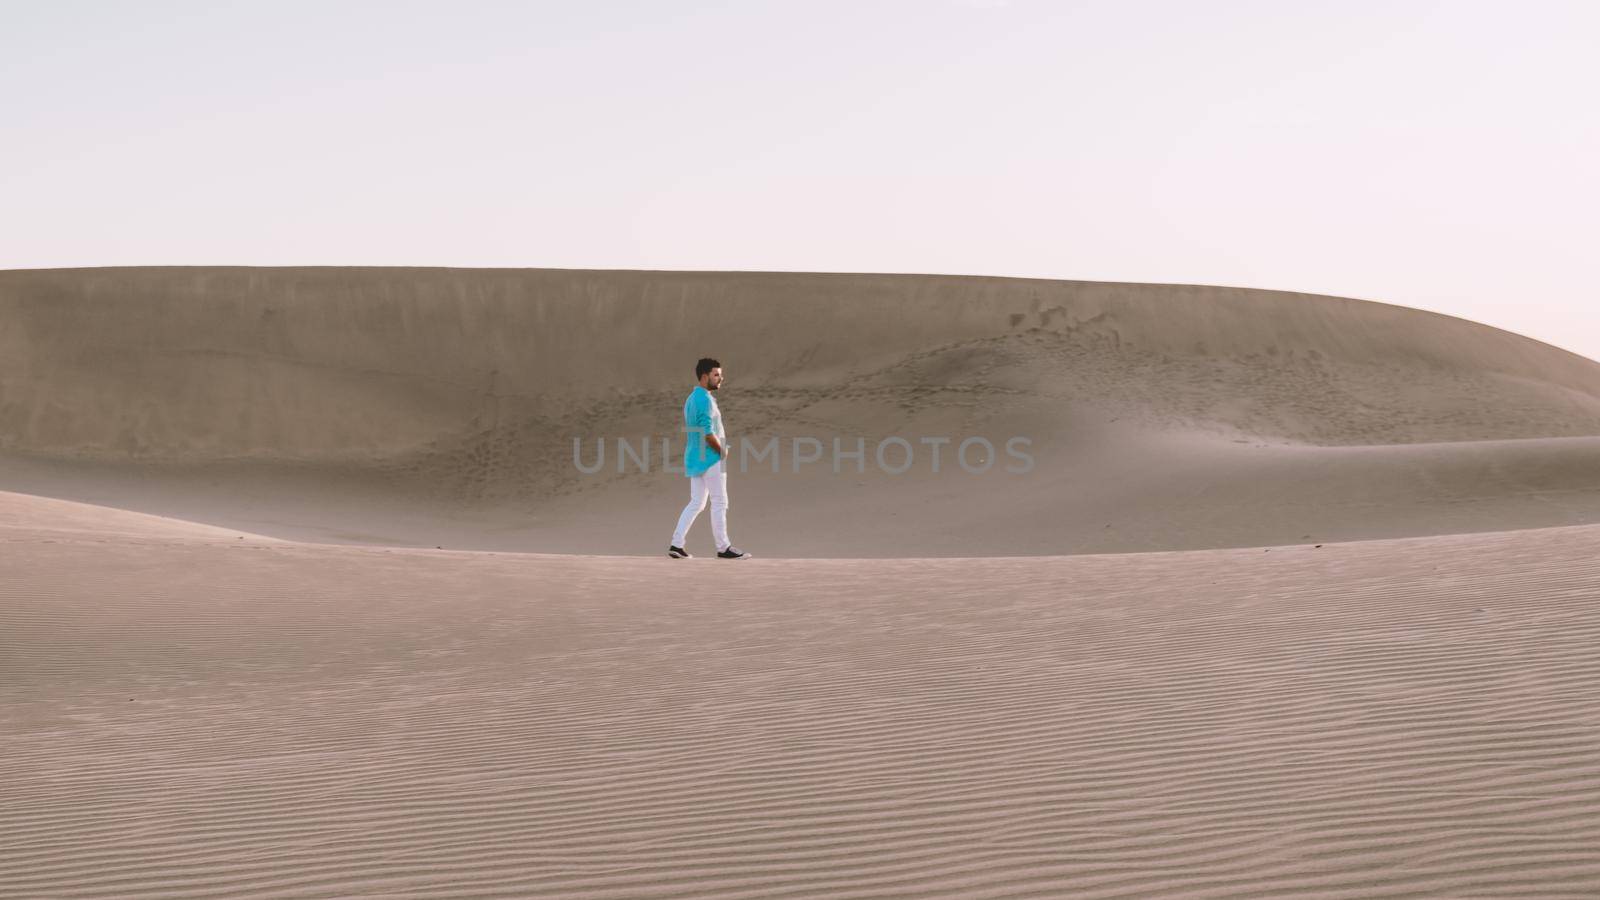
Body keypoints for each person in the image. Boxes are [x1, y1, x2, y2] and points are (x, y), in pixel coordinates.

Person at [669, 358, 752, 559]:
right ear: (705, 376)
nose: (720, 378)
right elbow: (707, 432)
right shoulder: (705, 399)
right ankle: (723, 547)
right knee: (720, 501)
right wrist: (722, 450)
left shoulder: (691, 398)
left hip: (695, 458)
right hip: (711, 458)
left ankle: (676, 544)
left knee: (697, 502)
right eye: (716, 374)